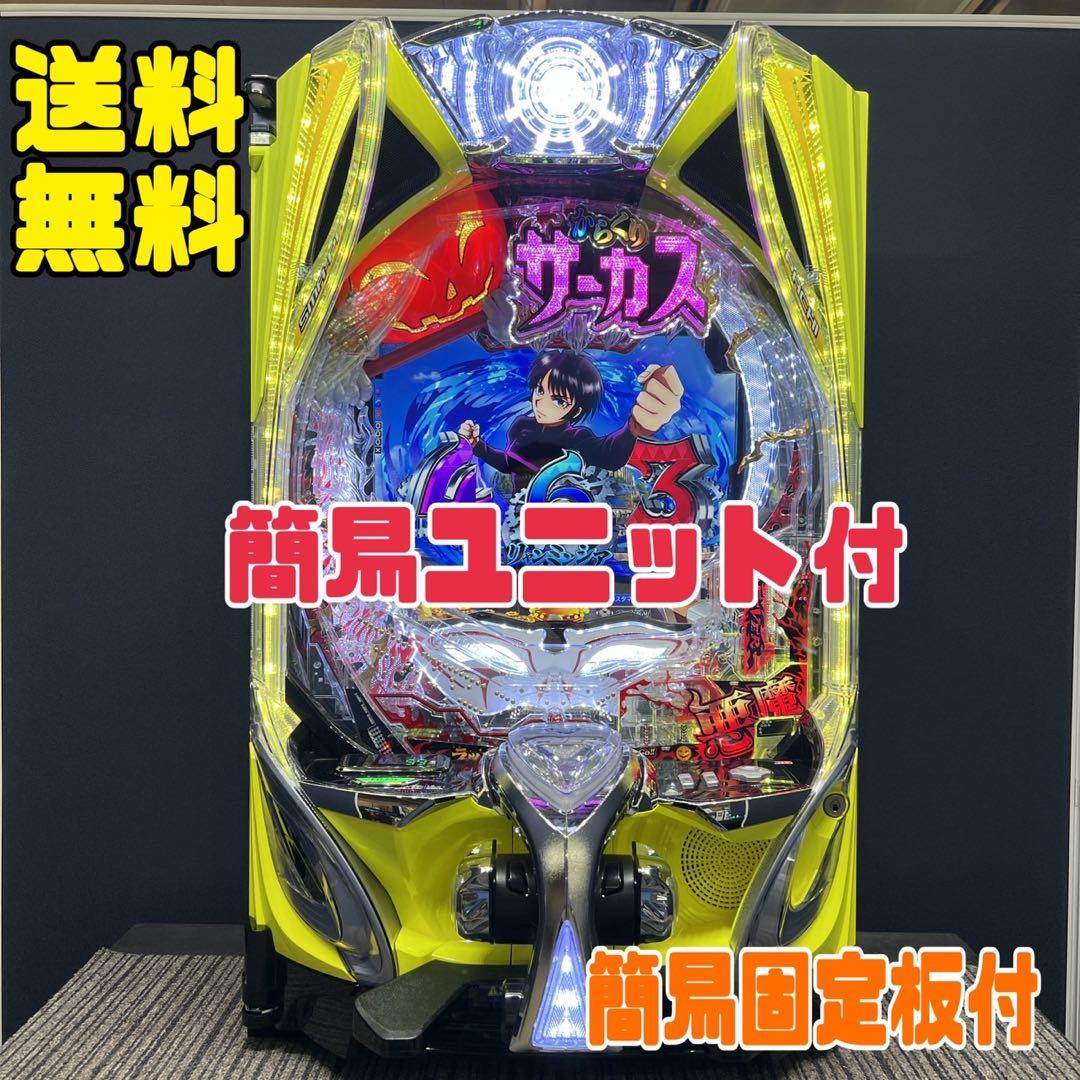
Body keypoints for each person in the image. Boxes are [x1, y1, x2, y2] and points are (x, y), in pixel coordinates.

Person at [458, 349, 683, 493]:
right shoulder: (521, 427)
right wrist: (477, 445)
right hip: (520, 515)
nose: (541, 403)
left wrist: (635, 426)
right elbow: (509, 464)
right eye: (540, 390)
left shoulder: (576, 438)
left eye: (558, 401)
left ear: (575, 411)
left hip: (564, 517)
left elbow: (609, 454)